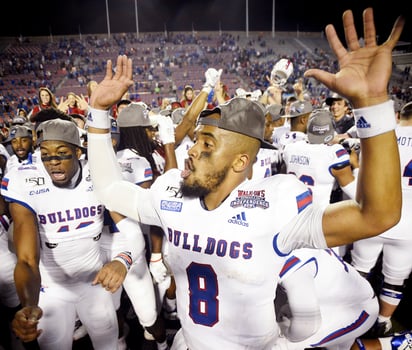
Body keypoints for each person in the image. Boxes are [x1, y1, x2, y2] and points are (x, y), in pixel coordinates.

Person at [85, 8, 404, 349]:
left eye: (207, 145)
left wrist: (372, 104)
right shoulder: (170, 195)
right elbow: (108, 189)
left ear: (240, 161)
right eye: (197, 141)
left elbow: (378, 215)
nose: (192, 151)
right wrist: (99, 113)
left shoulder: (274, 205)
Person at [1, 116, 140, 349]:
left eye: (61, 152)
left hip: (94, 285)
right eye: (44, 153)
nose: (52, 162)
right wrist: (28, 304)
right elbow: (26, 259)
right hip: (51, 289)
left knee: (109, 345)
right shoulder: (24, 180)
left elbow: (133, 233)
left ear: (78, 152)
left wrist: (122, 261)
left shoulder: (97, 175)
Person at [350, 100, 412, 338]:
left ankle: (351, 313)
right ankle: (383, 322)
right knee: (395, 279)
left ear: (398, 116)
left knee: (358, 271)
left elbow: (364, 176)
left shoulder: (383, 134)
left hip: (373, 215)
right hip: (408, 223)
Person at [274, 248, 378, 350]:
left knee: (276, 344)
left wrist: (282, 331)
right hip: (326, 299)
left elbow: (307, 327)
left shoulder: (294, 266)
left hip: (353, 309)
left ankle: (389, 344)